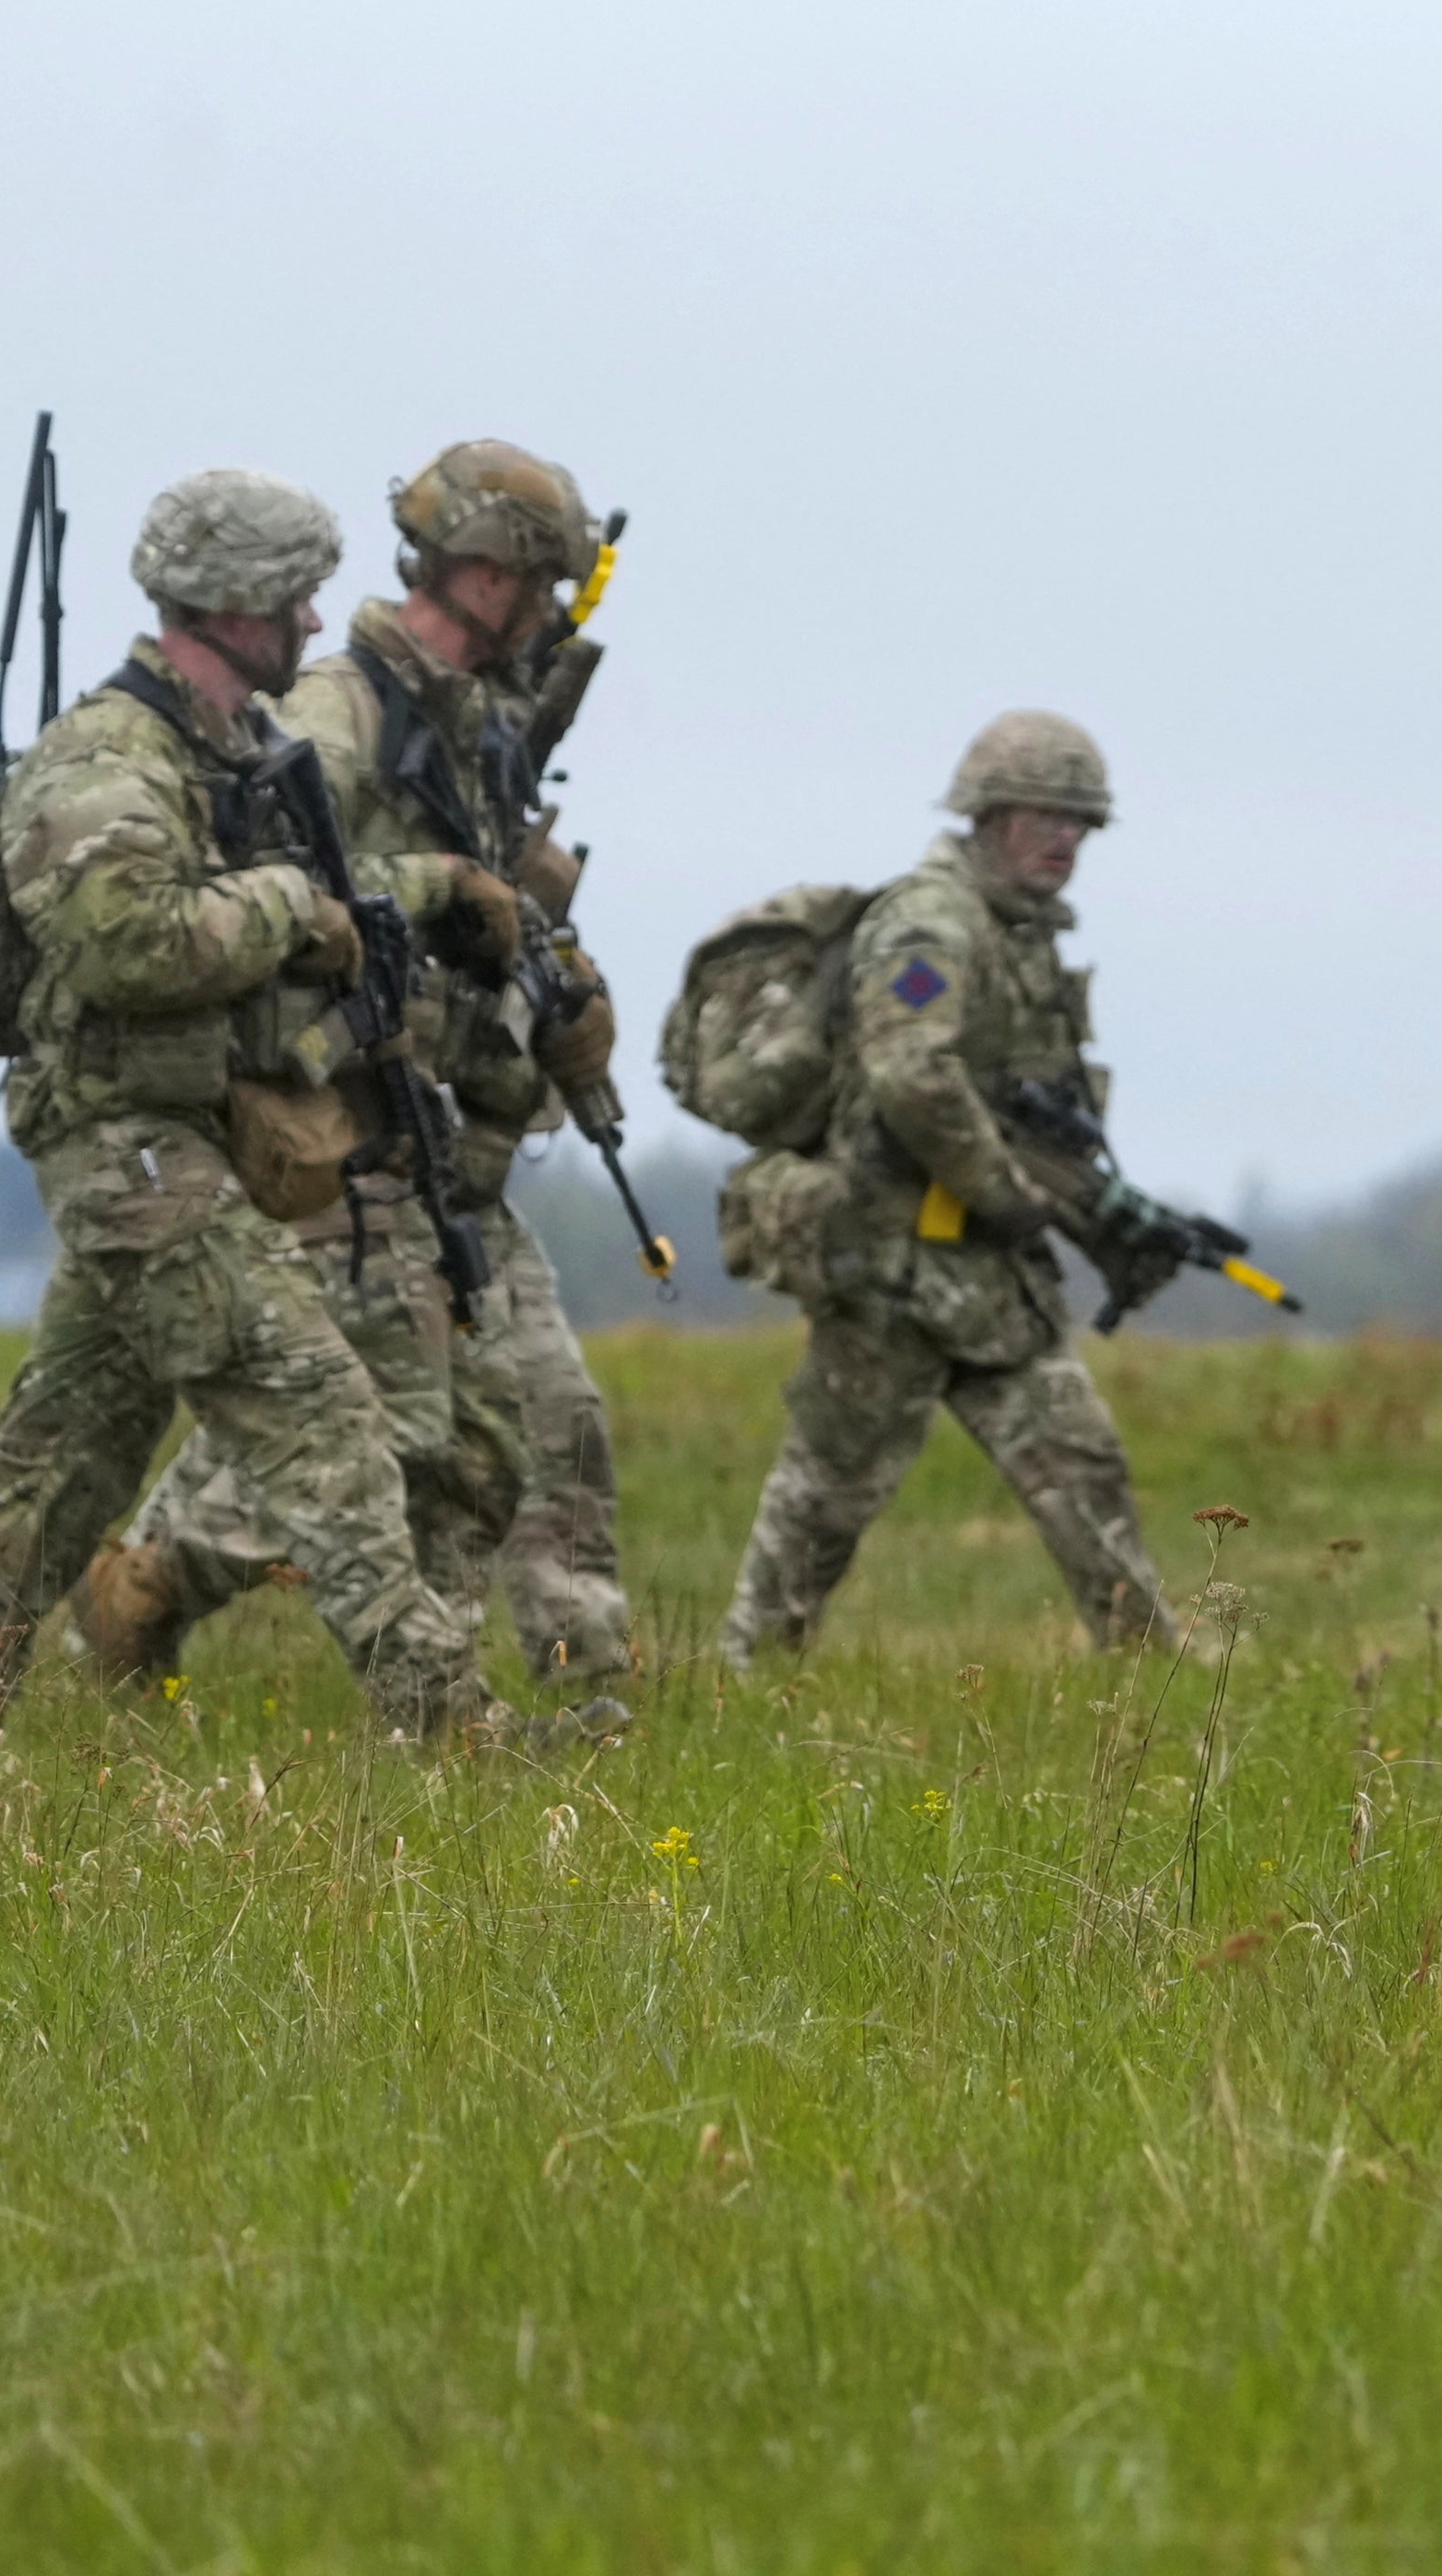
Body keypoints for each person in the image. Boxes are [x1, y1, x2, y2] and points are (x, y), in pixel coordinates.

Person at [0, 470, 507, 1739]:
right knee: (319, 1408)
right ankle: (452, 1728)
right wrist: (295, 908)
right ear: (230, 603)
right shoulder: (106, 757)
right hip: (122, 1146)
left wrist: (430, 886)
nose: (312, 615)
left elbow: (290, 884)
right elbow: (132, 941)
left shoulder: (223, 748)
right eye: (293, 593)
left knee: (72, 1450)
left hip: (180, 1142)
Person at [74, 443, 640, 1699]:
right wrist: (429, 907)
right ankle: (144, 1591)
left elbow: (486, 904)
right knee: (346, 1450)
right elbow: (258, 888)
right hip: (347, 1139)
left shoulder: (480, 720)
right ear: (486, 573)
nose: (552, 609)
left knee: (534, 1432)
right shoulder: (341, 708)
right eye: (542, 580)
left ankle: (553, 1700)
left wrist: (555, 982)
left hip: (451, 1147)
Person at [712, 711, 1184, 1662]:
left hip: (983, 1271)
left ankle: (1155, 1674)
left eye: (1080, 824)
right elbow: (910, 1072)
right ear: (989, 811)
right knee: (825, 1495)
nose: (1066, 840)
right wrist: (1008, 1190)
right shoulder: (931, 923)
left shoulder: (1015, 934)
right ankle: (742, 1678)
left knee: (1080, 1462)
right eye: (1046, 816)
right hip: (888, 1268)